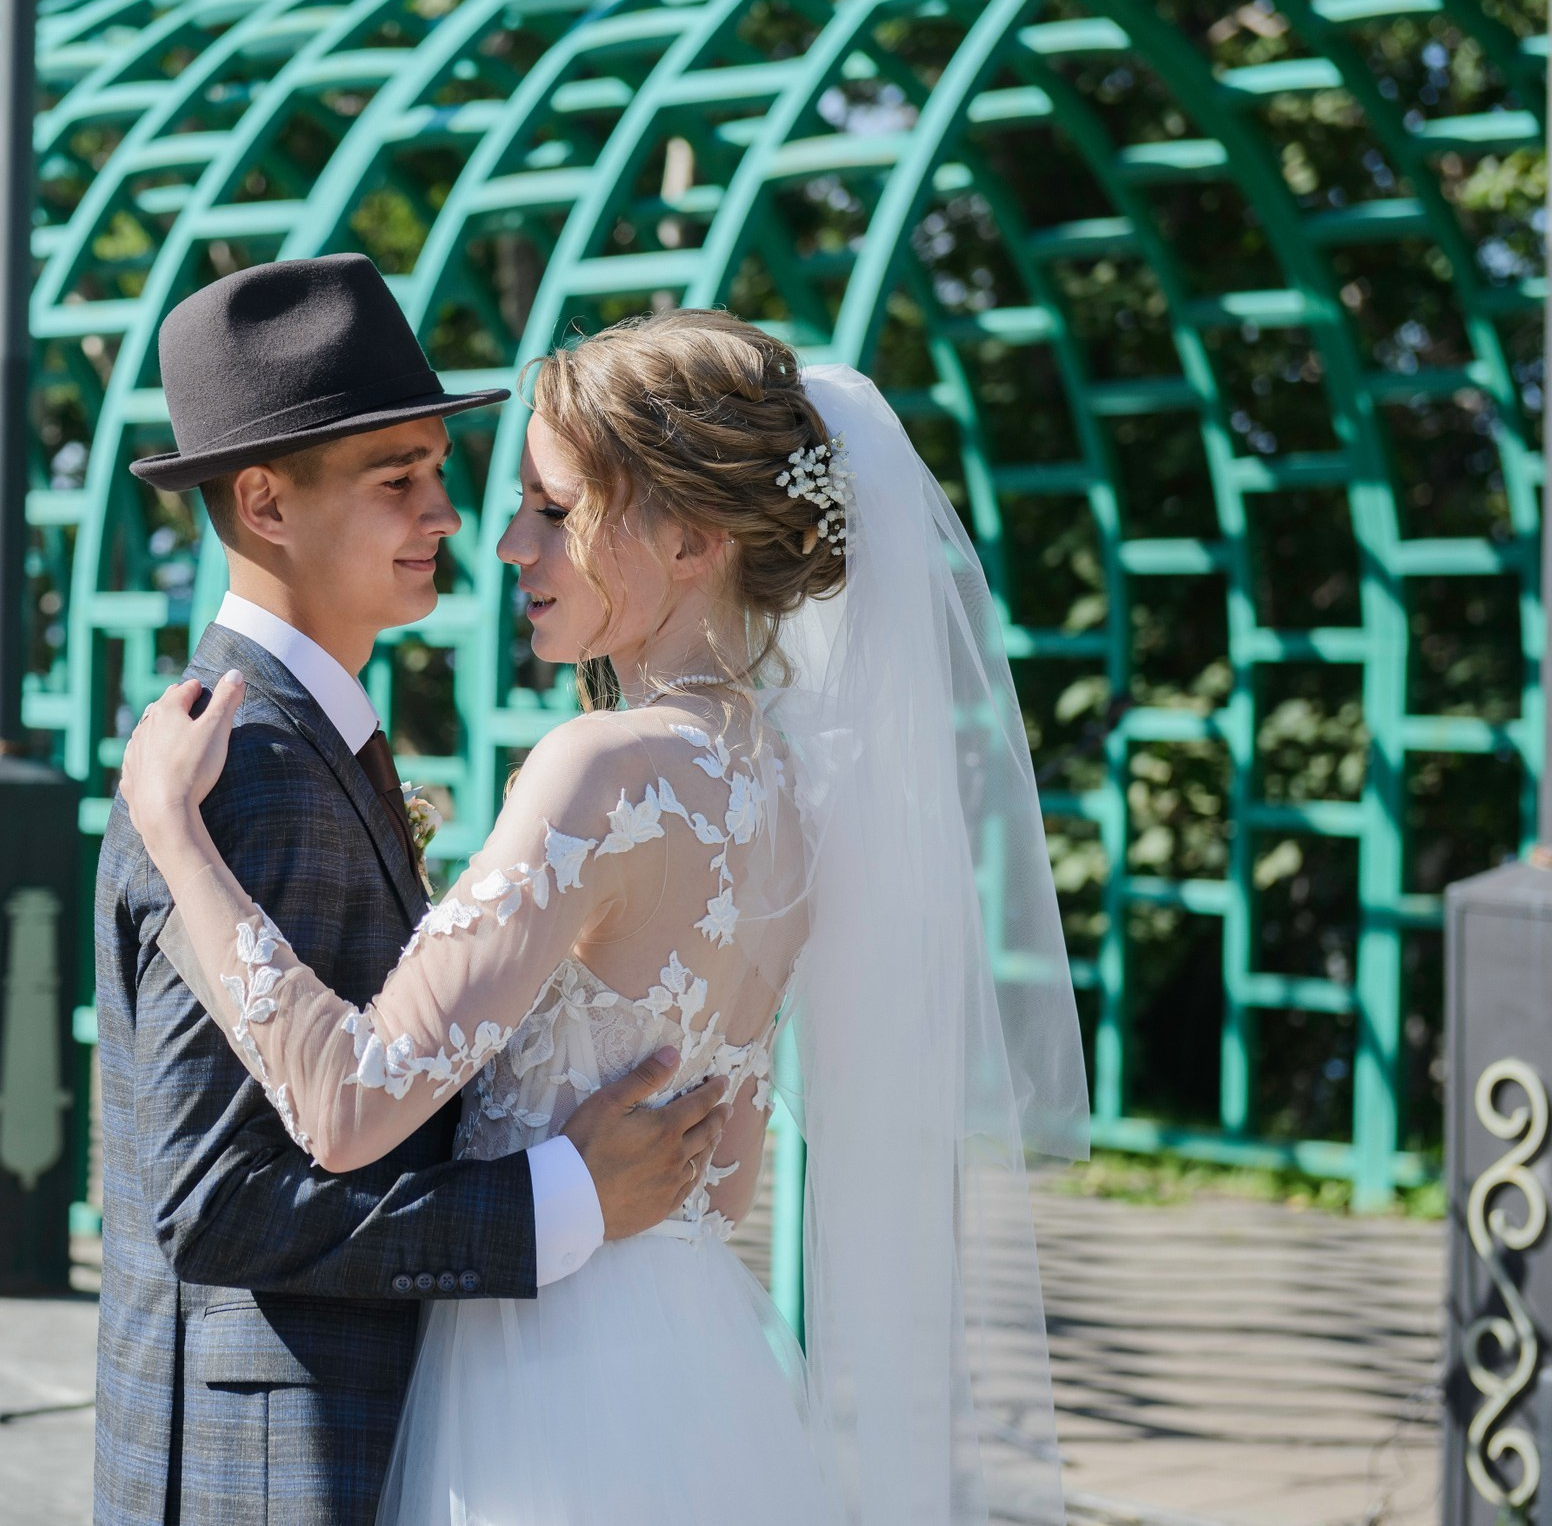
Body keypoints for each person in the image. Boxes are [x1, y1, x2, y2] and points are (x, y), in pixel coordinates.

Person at [120, 308, 1093, 1524]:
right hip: (698, 1363)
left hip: (536, 1391)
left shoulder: (602, 770)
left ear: (687, 535)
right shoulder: (792, 790)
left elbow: (350, 1102)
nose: (508, 543)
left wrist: (174, 834)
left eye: (554, 508)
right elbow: (722, 1173)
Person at [93, 255, 738, 1526]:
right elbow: (212, 1200)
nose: (448, 515)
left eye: (441, 470)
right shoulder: (244, 768)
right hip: (275, 1465)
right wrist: (563, 1200)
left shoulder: (306, 738)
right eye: (400, 479)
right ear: (266, 502)